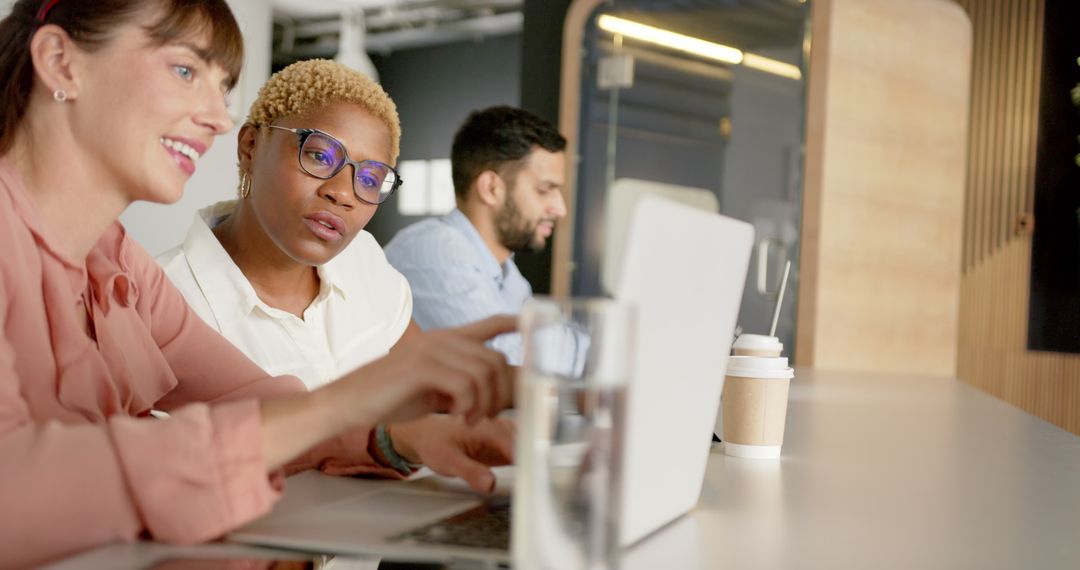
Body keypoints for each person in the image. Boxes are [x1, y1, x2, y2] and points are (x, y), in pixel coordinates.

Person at [0, 1, 511, 567]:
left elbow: (245, 397)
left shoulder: (116, 261)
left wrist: (395, 437)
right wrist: (349, 400)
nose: (218, 118)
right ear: (60, 62)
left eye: (223, 89)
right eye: (185, 70)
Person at [158, 59, 514, 494]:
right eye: (319, 156)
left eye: (371, 178)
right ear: (250, 146)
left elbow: (431, 387)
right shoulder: (164, 298)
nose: (343, 193)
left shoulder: (362, 259)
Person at [384, 106, 568, 365]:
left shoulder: (508, 274)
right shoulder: (435, 250)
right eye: (544, 189)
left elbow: (557, 350)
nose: (560, 209)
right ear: (491, 188)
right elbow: (510, 363)